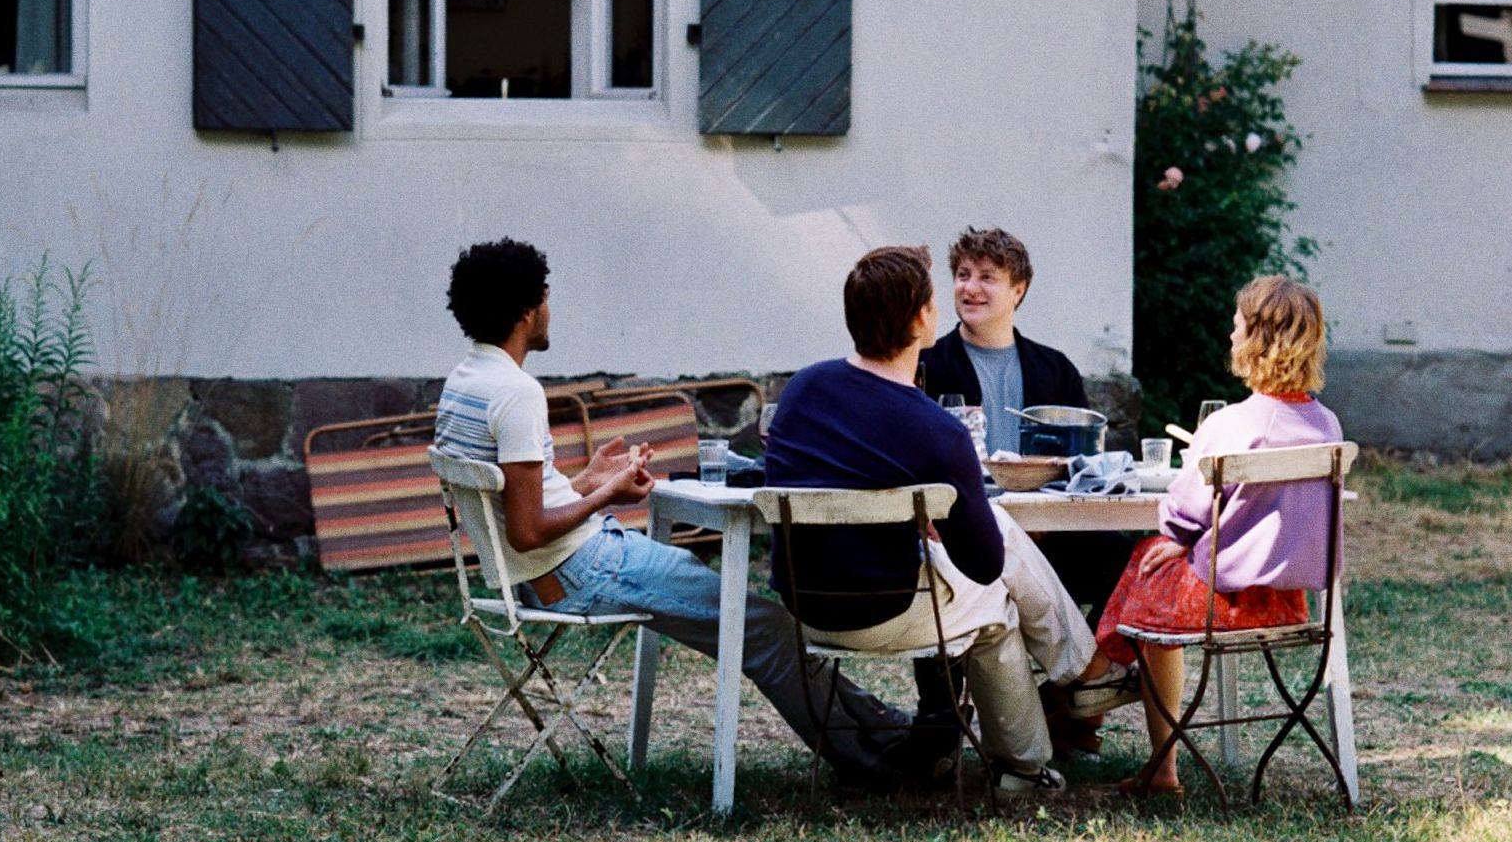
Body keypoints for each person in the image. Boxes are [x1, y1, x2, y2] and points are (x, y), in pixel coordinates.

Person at [432, 238, 926, 791]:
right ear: (527, 311)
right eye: (545, 298)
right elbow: (526, 532)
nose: (550, 309)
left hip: (545, 573)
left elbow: (514, 505)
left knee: (761, 626)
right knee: (761, 628)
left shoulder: (465, 383)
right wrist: (609, 495)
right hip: (576, 571)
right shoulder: (517, 393)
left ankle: (892, 733)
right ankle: (883, 762)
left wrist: (587, 479)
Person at [763, 245, 1103, 798]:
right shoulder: (936, 428)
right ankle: (1033, 755)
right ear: (922, 319)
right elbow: (986, 564)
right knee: (998, 604)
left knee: (993, 546)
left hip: (806, 604)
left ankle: (1081, 682)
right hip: (886, 609)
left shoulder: (802, 389)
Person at [1079, 276, 1344, 797]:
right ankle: (1097, 676)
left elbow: (1184, 506)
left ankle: (1096, 679)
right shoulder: (1329, 425)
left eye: (1236, 324)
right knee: (1152, 564)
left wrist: (1178, 534)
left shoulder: (1232, 423)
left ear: (1257, 339)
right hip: (1292, 604)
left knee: (1148, 557)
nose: (1230, 334)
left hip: (1225, 604)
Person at [916, 226, 1136, 743]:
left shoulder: (1054, 369)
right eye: (963, 276)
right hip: (963, 536)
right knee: (933, 564)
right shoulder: (929, 365)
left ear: (1019, 290)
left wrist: (1043, 522)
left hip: (1052, 536)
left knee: (1125, 560)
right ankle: (940, 719)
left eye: (988, 277)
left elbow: (1084, 467)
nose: (970, 288)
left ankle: (1070, 703)